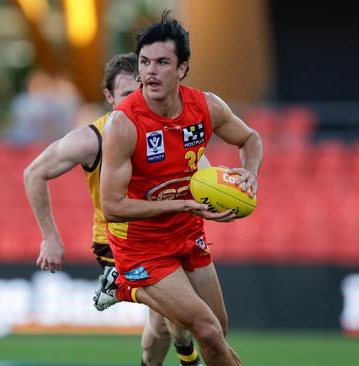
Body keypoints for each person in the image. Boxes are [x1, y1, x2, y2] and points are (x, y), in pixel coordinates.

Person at [97, 12, 263, 366]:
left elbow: (250, 139)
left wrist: (250, 173)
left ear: (183, 68)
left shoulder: (206, 106)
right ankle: (127, 282)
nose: (150, 71)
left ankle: (131, 291)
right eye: (144, 62)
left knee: (218, 330)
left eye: (162, 62)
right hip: (142, 246)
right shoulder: (124, 123)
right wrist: (185, 204)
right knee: (206, 329)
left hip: (188, 234)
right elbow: (112, 207)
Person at [23, 53, 205, 366]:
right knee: (177, 312)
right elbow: (33, 173)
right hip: (116, 241)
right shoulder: (91, 140)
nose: (136, 101)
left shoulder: (167, 129)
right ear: (109, 97)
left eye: (141, 92)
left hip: (164, 232)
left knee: (161, 324)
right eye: (126, 95)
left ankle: (154, 349)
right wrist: (50, 237)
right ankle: (188, 358)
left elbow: (200, 168)